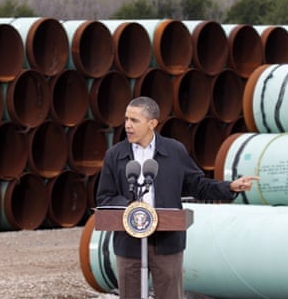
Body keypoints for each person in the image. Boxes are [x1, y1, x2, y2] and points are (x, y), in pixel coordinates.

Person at [96, 96, 259, 299]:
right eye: (127, 119)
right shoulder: (115, 155)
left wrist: (230, 187)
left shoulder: (174, 151)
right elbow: (105, 198)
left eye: (134, 120)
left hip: (166, 242)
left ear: (152, 123)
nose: (128, 125)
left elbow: (197, 185)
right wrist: (134, 209)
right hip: (129, 243)